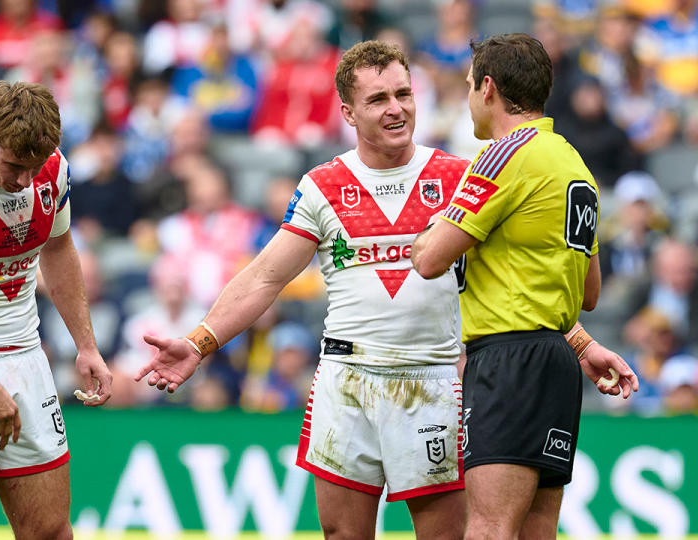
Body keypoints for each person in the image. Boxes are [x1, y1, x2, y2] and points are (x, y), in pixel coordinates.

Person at [136, 41, 471, 539]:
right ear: (348, 113)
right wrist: (198, 342)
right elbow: (265, 276)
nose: (397, 108)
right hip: (347, 379)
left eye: (404, 93)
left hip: (432, 378)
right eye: (378, 99)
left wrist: (578, 341)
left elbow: (508, 279)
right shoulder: (324, 185)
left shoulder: (456, 176)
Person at [411, 33, 637, 539]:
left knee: (488, 528)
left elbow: (428, 261)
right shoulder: (574, 165)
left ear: (488, 88)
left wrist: (431, 226)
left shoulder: (502, 155)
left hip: (506, 363)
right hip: (557, 364)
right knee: (537, 532)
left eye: (470, 85)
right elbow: (589, 293)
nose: (469, 96)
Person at [0, 81, 112, 538]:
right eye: (13, 165)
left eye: (34, 167)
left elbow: (59, 250)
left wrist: (86, 346)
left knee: (50, 531)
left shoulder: (54, 171)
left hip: (24, 358)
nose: (25, 180)